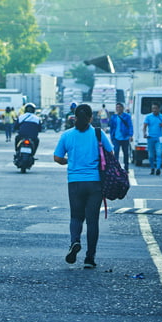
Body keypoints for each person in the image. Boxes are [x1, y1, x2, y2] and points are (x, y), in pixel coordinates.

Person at [54, 103, 114, 269]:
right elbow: (111, 154)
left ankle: (75, 241)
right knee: (92, 221)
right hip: (95, 182)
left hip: (74, 182)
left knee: (76, 217)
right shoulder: (98, 133)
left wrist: (70, 160)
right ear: (90, 118)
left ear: (74, 117)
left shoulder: (67, 135)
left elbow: (57, 158)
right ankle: (90, 258)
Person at [143, 101, 162, 176]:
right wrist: (144, 133)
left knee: (159, 153)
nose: (154, 110)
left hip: (159, 138)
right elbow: (145, 126)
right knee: (151, 155)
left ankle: (158, 168)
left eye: (155, 108)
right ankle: (152, 168)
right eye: (153, 108)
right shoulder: (148, 117)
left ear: (159, 109)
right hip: (150, 138)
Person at [109, 102, 133, 173]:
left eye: (119, 107)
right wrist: (112, 137)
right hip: (116, 138)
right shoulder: (114, 117)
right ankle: (116, 167)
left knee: (126, 153)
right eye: (117, 107)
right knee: (116, 153)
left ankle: (126, 167)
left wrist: (130, 135)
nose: (118, 109)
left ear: (123, 108)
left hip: (125, 137)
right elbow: (111, 128)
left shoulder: (127, 116)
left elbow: (130, 126)